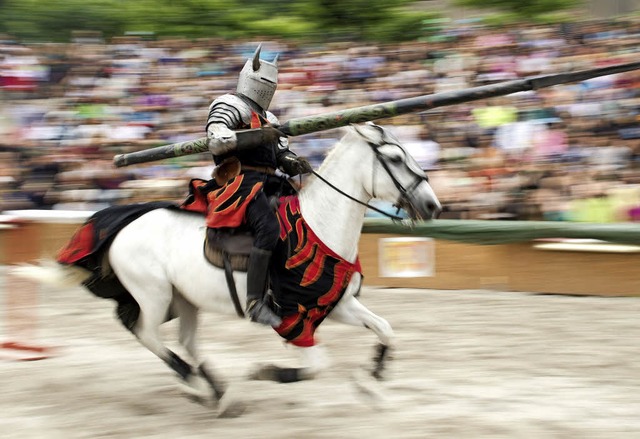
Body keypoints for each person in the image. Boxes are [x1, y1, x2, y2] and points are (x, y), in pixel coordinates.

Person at [204, 44, 312, 327]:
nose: (266, 89)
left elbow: (280, 155)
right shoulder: (228, 104)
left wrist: (293, 162)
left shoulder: (272, 118)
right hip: (241, 181)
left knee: (306, 219)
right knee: (269, 228)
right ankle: (255, 301)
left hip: (272, 181)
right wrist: (259, 136)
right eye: (263, 83)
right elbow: (217, 141)